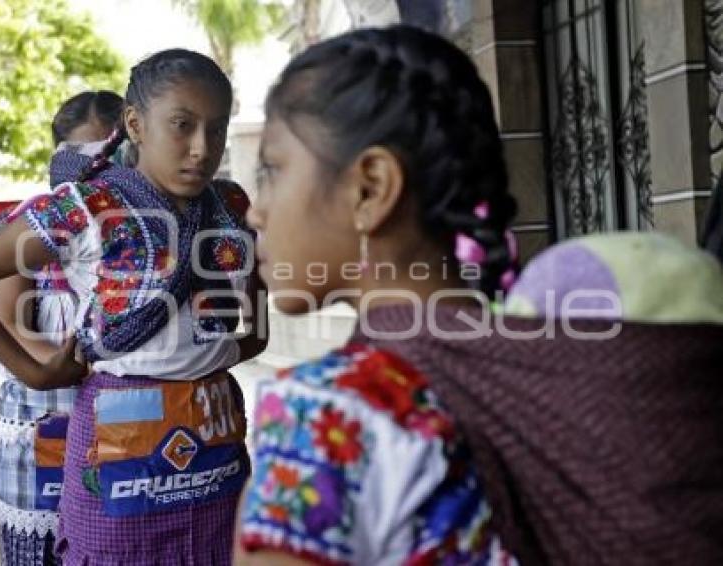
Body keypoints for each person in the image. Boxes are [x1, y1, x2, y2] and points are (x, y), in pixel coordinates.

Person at [235, 24, 723, 565]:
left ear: (371, 188)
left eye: (272, 170)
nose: (255, 209)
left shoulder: (325, 418)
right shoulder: (568, 365)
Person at [0, 48, 266, 565]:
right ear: (135, 124)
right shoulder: (84, 207)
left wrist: (250, 339)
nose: (201, 148)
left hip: (216, 439)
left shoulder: (232, 204)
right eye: (181, 125)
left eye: (216, 130)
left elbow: (256, 295)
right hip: (120, 445)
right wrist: (33, 373)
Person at [0, 90, 123, 566]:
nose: (95, 170)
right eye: (81, 156)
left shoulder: (146, 230)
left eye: (109, 154)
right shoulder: (27, 223)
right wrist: (89, 369)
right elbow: (8, 326)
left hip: (127, 438)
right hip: (42, 433)